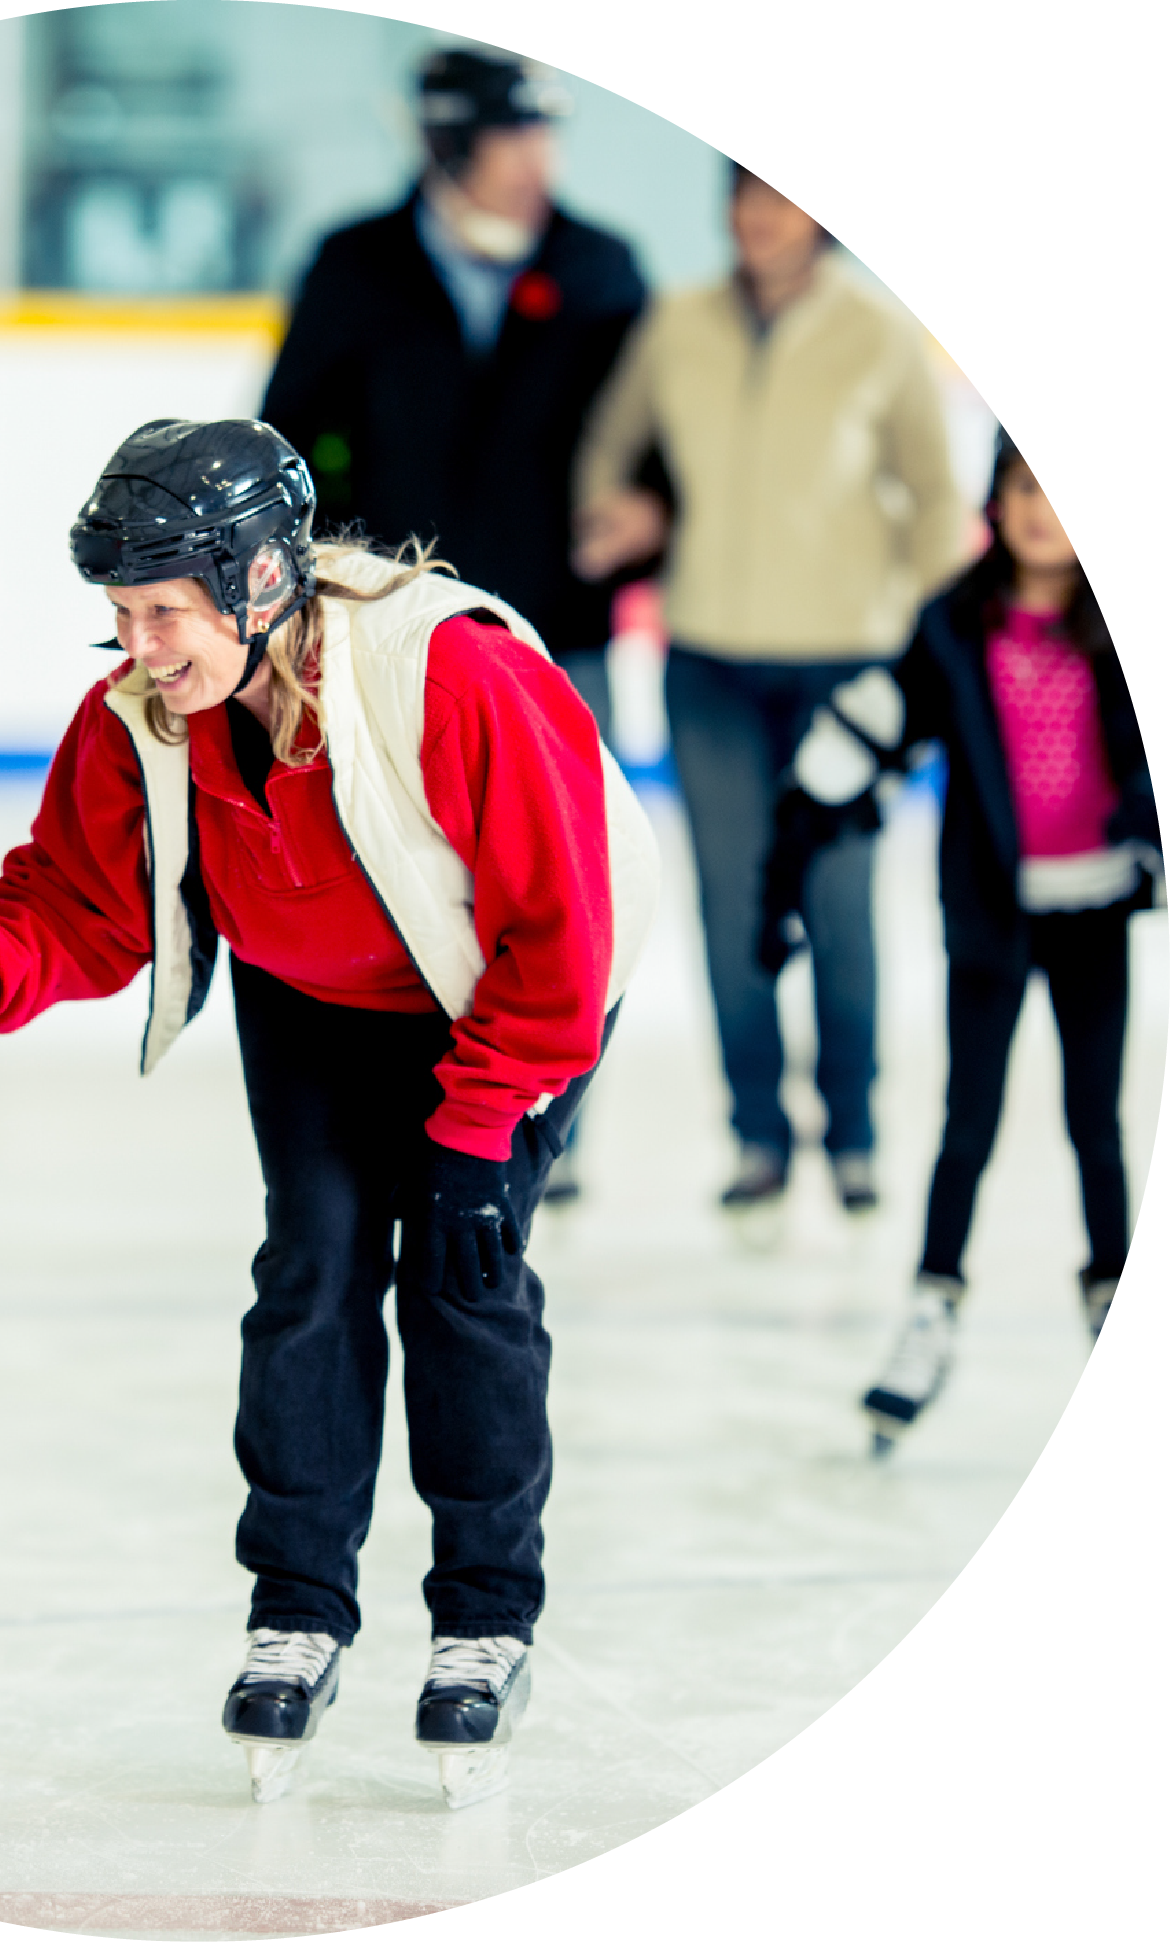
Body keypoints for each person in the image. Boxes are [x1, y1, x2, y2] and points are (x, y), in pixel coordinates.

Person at [0, 419, 660, 1809]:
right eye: (118, 614)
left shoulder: (451, 674)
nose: (137, 645)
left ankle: (482, 1618)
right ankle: (298, 1609)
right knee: (311, 1270)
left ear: (260, 577)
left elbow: (561, 932)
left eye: (162, 610)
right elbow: (73, 903)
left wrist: (477, 1131)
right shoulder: (143, 715)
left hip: (503, 993)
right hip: (315, 997)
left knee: (458, 1279)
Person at [261, 44, 648, 1205]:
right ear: (447, 143)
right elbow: (289, 440)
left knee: (560, 878)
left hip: (552, 637)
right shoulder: (353, 265)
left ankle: (543, 1113)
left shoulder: (600, 270)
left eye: (545, 135)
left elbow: (653, 439)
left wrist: (650, 512)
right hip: (387, 641)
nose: (538, 162)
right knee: (402, 867)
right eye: (511, 137)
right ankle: (417, 1106)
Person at [574, 164, 969, 1223]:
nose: (759, 217)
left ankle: (854, 1133)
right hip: (708, 661)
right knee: (731, 906)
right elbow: (610, 448)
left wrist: (923, 646)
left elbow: (938, 501)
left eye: (781, 199)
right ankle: (756, 1134)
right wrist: (621, 513)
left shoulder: (878, 334)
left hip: (847, 667)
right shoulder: (678, 324)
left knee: (838, 902)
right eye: (746, 196)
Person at [758, 435, 1159, 1452]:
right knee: (966, 1125)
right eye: (1025, 487)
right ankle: (931, 1309)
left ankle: (1111, 1301)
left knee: (1095, 1124)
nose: (1044, 511)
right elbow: (875, 724)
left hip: (1095, 907)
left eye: (1062, 492)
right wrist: (795, 843)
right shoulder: (951, 626)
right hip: (990, 915)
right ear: (995, 500)